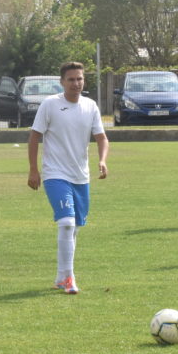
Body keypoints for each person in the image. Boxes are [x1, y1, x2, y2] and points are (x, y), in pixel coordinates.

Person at [27, 62, 109, 294]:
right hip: (55, 174)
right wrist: (33, 170)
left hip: (80, 176)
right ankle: (69, 278)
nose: (76, 83)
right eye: (71, 79)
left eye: (79, 78)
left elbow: (102, 138)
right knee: (66, 223)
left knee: (74, 228)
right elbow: (34, 137)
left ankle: (60, 276)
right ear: (62, 82)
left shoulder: (90, 106)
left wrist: (103, 160)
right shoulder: (50, 104)